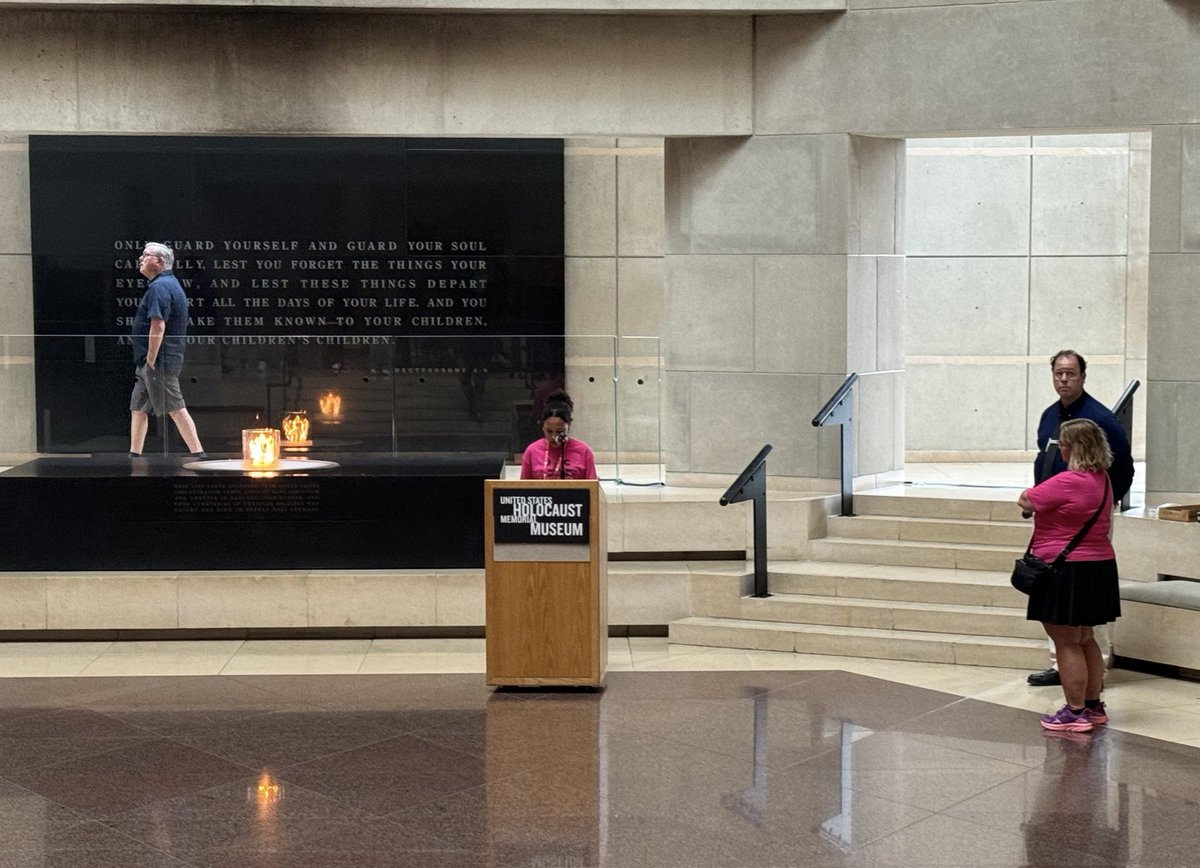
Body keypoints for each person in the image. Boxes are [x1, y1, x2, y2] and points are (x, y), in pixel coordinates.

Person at [1026, 349, 1133, 687]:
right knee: (1057, 605)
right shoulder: (1048, 416)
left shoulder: (1100, 418)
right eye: (1058, 373)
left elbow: (1124, 468)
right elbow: (1044, 461)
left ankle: (1091, 672)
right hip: (1054, 518)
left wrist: (1099, 504)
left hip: (1086, 525)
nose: (1064, 379)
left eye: (1071, 373)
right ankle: (1062, 666)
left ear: (1083, 376)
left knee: (1084, 606)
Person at [1017, 418, 1121, 732]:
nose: (1060, 449)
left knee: (1065, 640)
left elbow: (1027, 499)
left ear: (1073, 448)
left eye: (1063, 444)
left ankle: (1074, 712)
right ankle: (1092, 706)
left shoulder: (1068, 481)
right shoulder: (1102, 479)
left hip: (1065, 569)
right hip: (1098, 566)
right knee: (1085, 637)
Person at [128, 242, 206, 458]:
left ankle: (198, 453)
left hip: (158, 360)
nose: (141, 258)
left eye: (146, 255)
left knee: (175, 407)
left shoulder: (161, 287)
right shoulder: (165, 284)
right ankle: (134, 454)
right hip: (149, 361)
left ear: (160, 262)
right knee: (139, 407)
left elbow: (158, 324)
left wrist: (151, 359)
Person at [519, 390, 597, 480]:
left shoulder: (584, 451)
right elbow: (523, 488)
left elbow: (592, 488)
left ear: (569, 425)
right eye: (549, 431)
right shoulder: (532, 451)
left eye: (559, 431)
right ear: (543, 426)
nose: (553, 437)